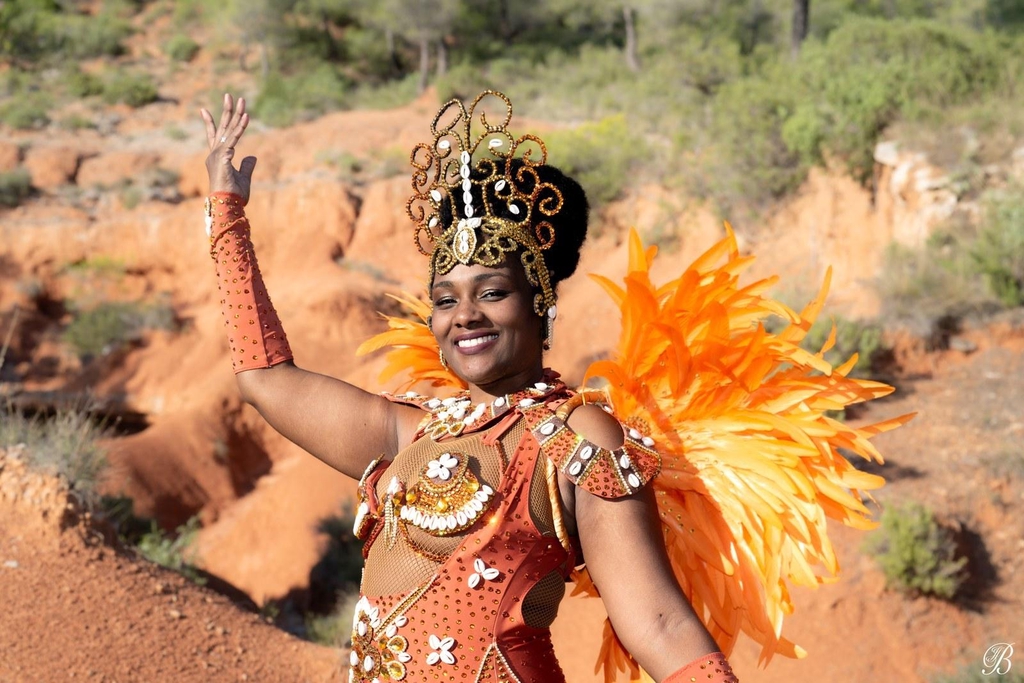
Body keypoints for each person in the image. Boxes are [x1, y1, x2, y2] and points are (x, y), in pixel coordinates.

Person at [199, 90, 740, 682]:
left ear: (540, 307)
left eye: (492, 293)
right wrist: (227, 212)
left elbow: (657, 621)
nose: (465, 316)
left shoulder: (576, 438)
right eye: (446, 300)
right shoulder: (408, 432)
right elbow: (264, 378)